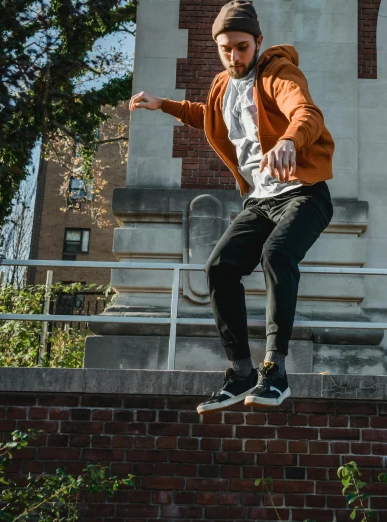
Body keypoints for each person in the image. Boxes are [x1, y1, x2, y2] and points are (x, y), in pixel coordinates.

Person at [128, 0, 334, 414]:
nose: (235, 57)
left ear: (258, 42)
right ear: (217, 48)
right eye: (226, 50)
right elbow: (211, 116)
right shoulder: (222, 85)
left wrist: (290, 140)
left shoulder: (278, 73)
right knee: (219, 269)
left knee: (277, 254)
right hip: (260, 200)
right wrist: (163, 104)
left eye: (242, 47)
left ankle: (274, 371)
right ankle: (240, 372)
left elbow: (305, 111)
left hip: (304, 194)